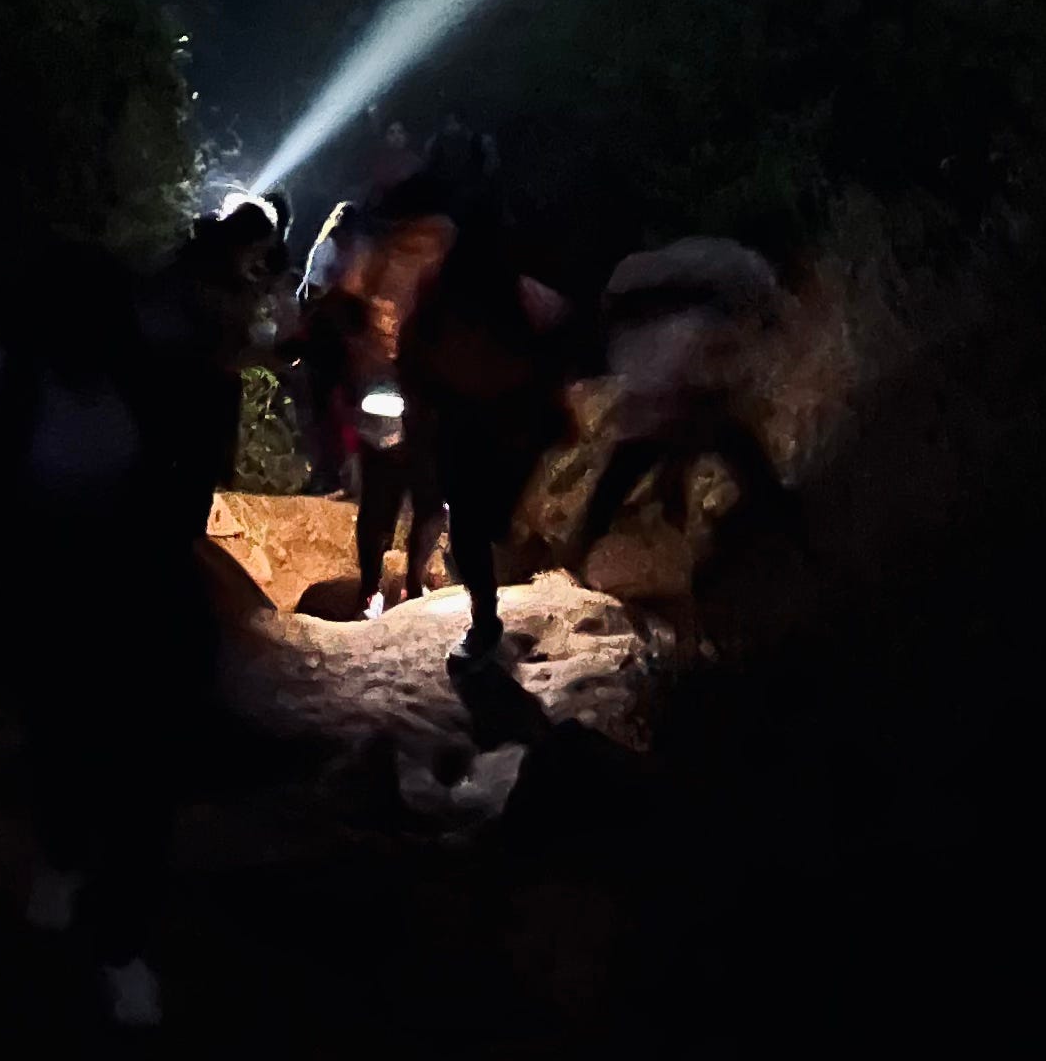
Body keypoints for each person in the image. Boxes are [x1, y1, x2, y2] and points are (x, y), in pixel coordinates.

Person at [0, 194, 290, 1034]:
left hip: (132, 593)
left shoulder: (143, 378)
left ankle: (120, 943)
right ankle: (67, 859)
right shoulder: (6, 377)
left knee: (141, 774)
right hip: (47, 596)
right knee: (62, 742)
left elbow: (181, 482)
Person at [385, 126, 574, 670]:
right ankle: (485, 619)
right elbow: (416, 349)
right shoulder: (484, 287)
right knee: (473, 521)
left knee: (474, 521)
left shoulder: (478, 286)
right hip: (482, 416)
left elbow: (414, 349)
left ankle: (486, 617)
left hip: (481, 416)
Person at [569, 236, 792, 581]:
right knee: (720, 450)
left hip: (678, 378)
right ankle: (786, 530)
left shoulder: (704, 278)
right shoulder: (737, 276)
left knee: (639, 465)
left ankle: (783, 531)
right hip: (679, 378)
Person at [296, 195, 447, 615]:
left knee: (431, 497)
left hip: (428, 397)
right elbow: (342, 313)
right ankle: (370, 588)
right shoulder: (372, 263)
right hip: (385, 388)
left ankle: (413, 581)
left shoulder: (443, 273)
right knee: (383, 494)